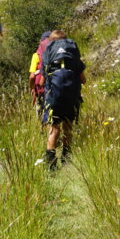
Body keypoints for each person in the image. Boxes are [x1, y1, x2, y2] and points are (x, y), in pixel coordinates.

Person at [39, 30, 86, 170]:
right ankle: (66, 160)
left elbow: (41, 82)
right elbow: (83, 80)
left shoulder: (48, 53)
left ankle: (51, 165)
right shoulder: (72, 54)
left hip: (54, 96)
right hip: (71, 96)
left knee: (54, 129)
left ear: (51, 41)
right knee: (68, 127)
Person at [28, 31, 51, 118]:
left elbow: (32, 76)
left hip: (41, 89)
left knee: (42, 114)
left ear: (40, 42)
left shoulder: (36, 55)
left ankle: (42, 125)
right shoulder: (56, 54)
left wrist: (32, 88)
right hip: (55, 87)